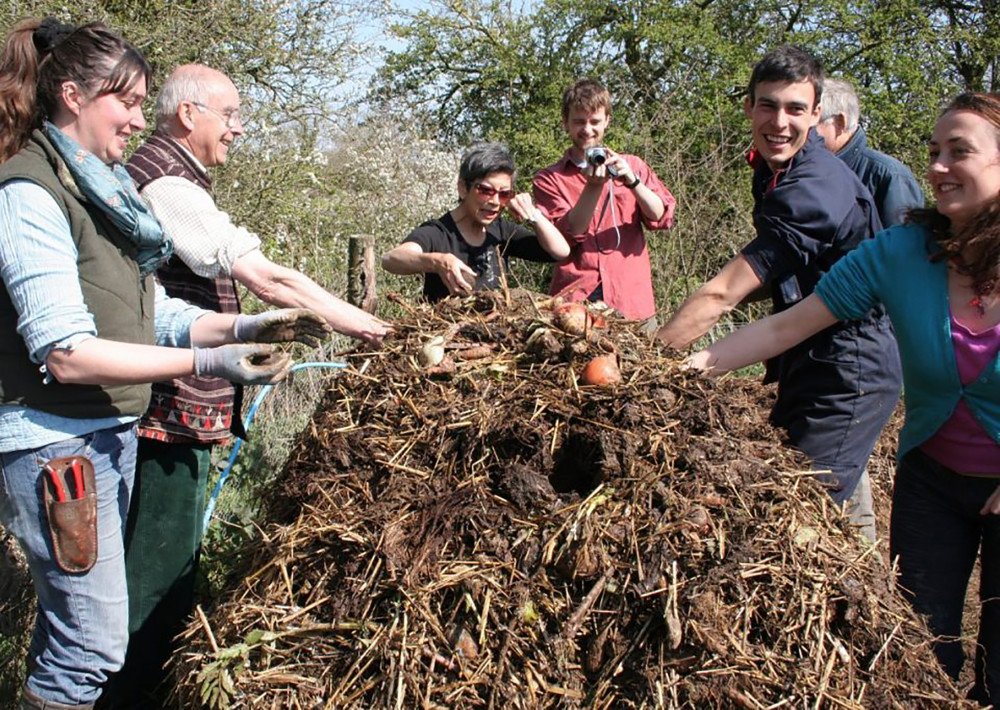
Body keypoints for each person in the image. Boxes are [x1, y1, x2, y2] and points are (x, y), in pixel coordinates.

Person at [0, 19, 326, 709]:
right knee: (92, 644)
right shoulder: (29, 195)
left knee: (77, 634)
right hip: (56, 444)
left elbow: (153, 310)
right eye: (129, 102)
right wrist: (214, 359)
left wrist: (249, 323)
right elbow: (66, 350)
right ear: (72, 95)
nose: (141, 120)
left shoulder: (100, 190)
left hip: (104, 438)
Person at [688, 91, 1000, 707]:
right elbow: (786, 325)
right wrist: (683, 366)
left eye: (959, 151)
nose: (937, 167)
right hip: (931, 481)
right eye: (934, 151)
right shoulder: (904, 252)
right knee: (919, 653)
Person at [110, 63, 389, 706]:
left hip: (174, 404)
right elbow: (271, 280)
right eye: (230, 115)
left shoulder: (171, 177)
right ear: (189, 115)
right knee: (156, 571)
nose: (238, 129)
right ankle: (133, 694)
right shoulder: (169, 185)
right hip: (165, 411)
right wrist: (373, 331)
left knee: (162, 564)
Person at [655, 45, 902, 543]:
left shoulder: (815, 189)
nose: (780, 122)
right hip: (802, 351)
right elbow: (766, 276)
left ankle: (857, 612)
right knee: (812, 495)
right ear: (748, 107)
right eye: (768, 105)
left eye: (795, 109)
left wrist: (652, 362)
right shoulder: (773, 169)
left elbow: (723, 293)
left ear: (816, 114)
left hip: (847, 369)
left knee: (803, 517)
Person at [532, 78, 676, 322]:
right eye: (579, 121)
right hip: (576, 300)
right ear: (565, 123)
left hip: (631, 299)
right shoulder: (548, 179)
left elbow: (661, 216)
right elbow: (567, 237)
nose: (587, 129)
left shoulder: (634, 165)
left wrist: (632, 180)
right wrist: (594, 187)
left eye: (595, 121)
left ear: (607, 121)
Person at [382, 142, 570, 300]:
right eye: (485, 190)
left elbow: (560, 251)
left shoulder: (502, 231)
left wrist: (533, 214)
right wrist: (438, 261)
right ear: (463, 188)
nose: (495, 202)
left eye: (504, 194)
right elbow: (390, 259)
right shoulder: (438, 233)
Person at [817, 77, 924, 226]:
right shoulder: (802, 169)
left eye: (812, 122)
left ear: (840, 122)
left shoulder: (888, 176)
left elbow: (904, 243)